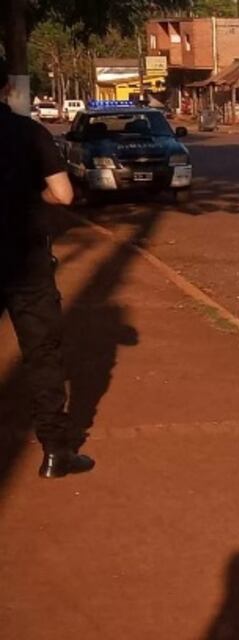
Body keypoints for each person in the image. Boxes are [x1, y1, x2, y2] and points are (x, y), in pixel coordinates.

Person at [0, 58, 94, 478]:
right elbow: (64, 194)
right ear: (6, 88)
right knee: (42, 355)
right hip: (27, 262)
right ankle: (55, 451)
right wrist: (30, 190)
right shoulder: (30, 133)